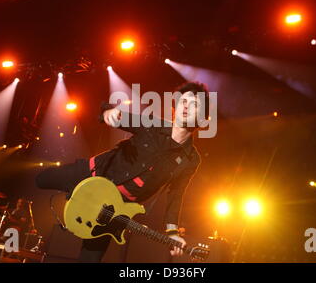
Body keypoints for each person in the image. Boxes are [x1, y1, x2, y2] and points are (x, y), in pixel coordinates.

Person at [36, 82, 209, 262]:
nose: (186, 106)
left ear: (203, 118)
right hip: (92, 174)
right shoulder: (152, 124)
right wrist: (108, 113)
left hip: (113, 208)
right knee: (41, 180)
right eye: (183, 101)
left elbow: (176, 194)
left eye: (195, 104)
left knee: (89, 260)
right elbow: (115, 116)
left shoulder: (191, 160)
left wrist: (172, 232)